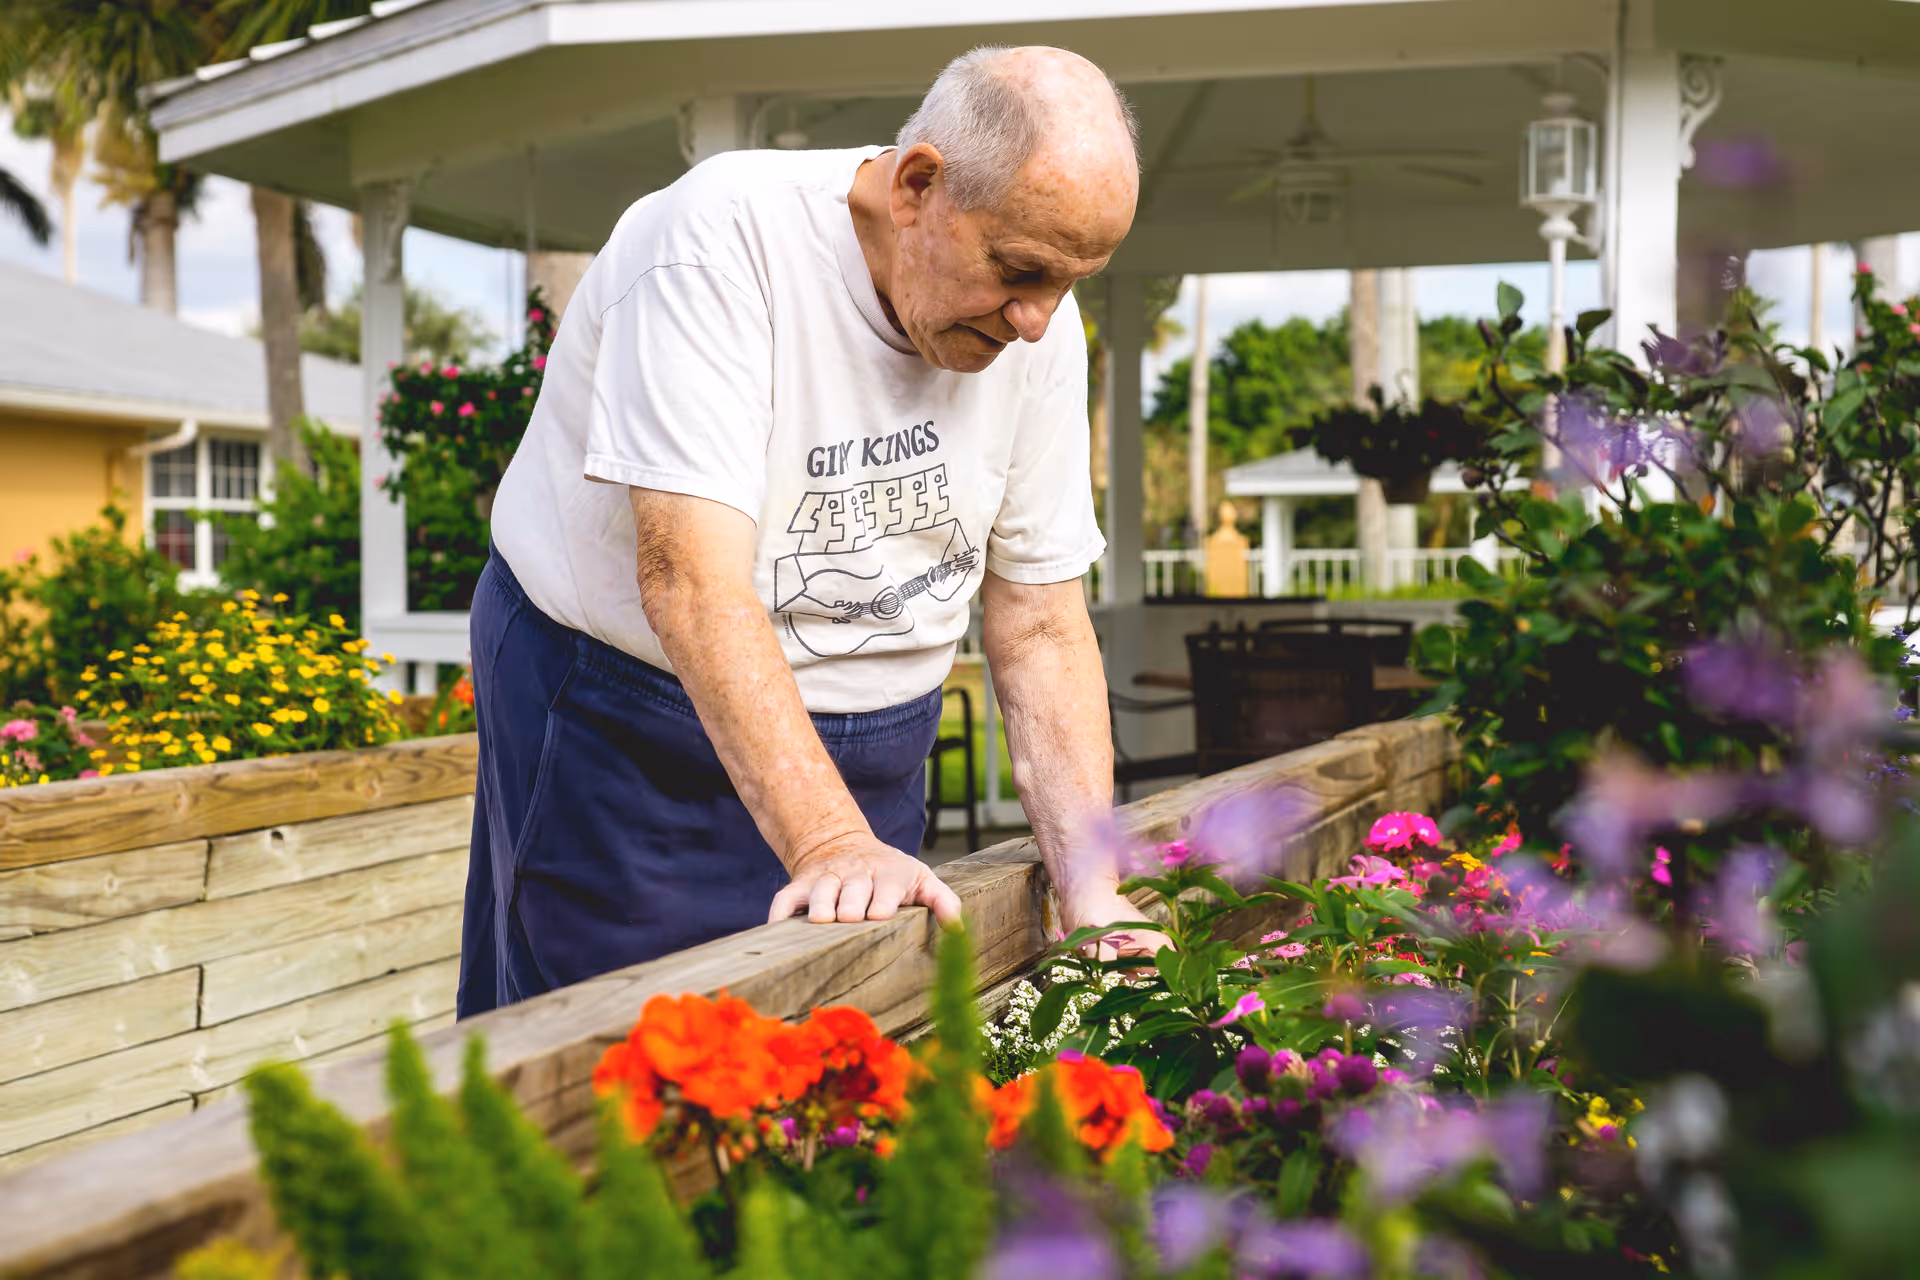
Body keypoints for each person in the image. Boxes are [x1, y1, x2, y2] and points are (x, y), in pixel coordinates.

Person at [458, 45, 1148, 1016]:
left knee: (839, 1049)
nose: (1038, 319)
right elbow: (692, 582)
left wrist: (1091, 885)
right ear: (917, 186)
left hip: (874, 731)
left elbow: (1038, 618)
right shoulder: (718, 242)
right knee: (619, 1060)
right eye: (1020, 269)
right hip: (626, 712)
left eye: (1072, 282)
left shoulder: (1036, 326)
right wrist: (827, 838)